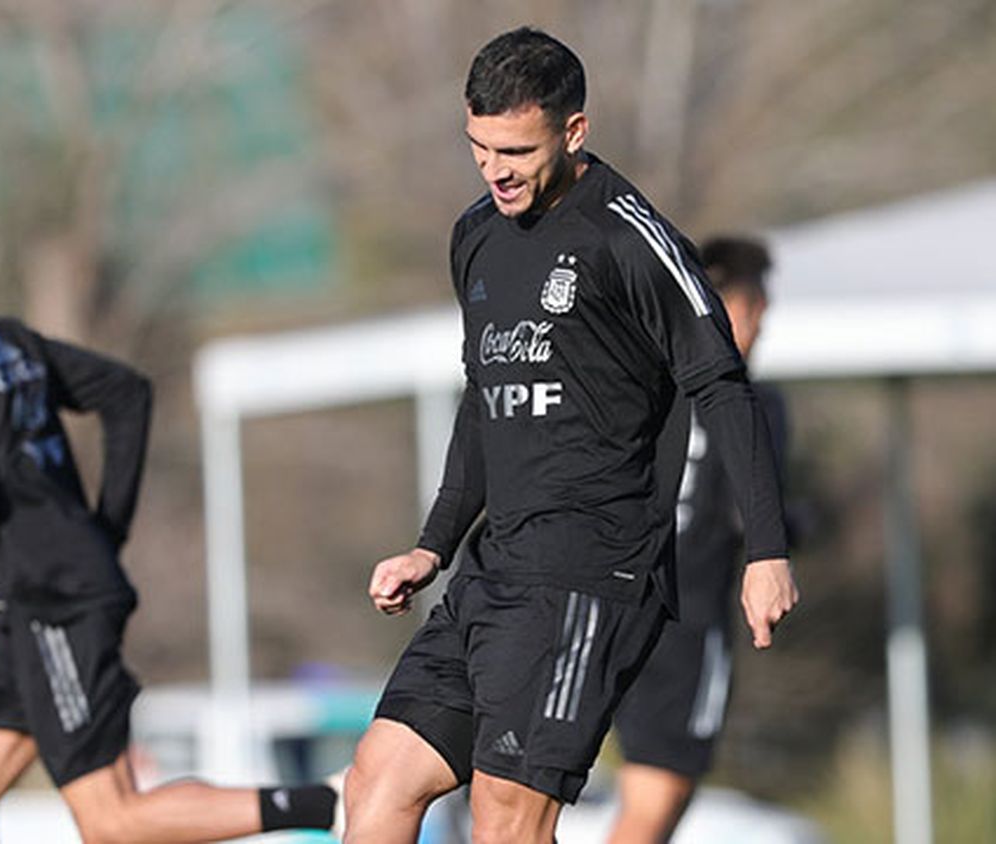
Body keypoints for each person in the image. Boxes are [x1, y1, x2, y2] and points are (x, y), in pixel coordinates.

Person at [341, 28, 799, 844]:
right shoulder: (476, 234)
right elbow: (487, 397)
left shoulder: (629, 238)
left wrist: (765, 551)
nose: (496, 169)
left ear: (574, 131)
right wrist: (433, 546)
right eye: (479, 146)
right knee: (379, 778)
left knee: (505, 819)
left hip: (589, 573)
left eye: (516, 149)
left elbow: (721, 383)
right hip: (493, 567)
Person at [0, 196, 336, 844]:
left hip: (52, 599)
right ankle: (325, 804)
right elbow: (127, 394)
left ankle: (327, 805)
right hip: (32, 602)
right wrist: (105, 528)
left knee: (111, 820)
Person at [607, 236, 791, 843]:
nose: (761, 326)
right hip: (688, 625)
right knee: (657, 799)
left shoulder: (641, 389)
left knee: (645, 797)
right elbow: (753, 515)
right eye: (757, 308)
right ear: (739, 307)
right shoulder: (753, 404)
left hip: (614, 608)